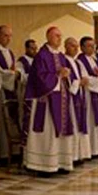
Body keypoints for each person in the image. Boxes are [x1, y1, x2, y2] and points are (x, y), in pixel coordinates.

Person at [24, 27, 76, 174]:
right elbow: (39, 78)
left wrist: (66, 75)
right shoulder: (41, 56)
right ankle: (44, 164)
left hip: (61, 99)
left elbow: (66, 75)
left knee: (61, 130)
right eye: (56, 36)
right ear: (48, 37)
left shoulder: (61, 56)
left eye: (61, 36)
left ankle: (61, 162)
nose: (59, 39)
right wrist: (58, 75)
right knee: (48, 131)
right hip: (46, 100)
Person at [0, 25, 21, 161]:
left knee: (13, 120)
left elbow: (13, 69)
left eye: (10, 36)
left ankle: (14, 152)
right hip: (1, 92)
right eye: (5, 35)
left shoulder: (9, 52)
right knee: (2, 123)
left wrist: (14, 73)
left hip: (11, 90)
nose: (8, 39)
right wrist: (13, 73)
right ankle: (3, 153)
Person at [77, 37, 98, 158]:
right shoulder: (80, 61)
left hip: (97, 94)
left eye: (93, 46)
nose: (92, 48)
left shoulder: (93, 60)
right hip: (88, 95)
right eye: (89, 46)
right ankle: (91, 148)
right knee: (90, 120)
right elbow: (85, 79)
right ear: (82, 47)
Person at [63, 37, 91, 162]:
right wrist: (78, 83)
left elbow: (84, 77)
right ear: (66, 46)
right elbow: (65, 81)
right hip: (69, 99)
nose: (75, 49)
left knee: (80, 124)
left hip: (79, 96)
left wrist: (84, 81)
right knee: (73, 125)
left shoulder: (77, 62)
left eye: (76, 46)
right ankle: (72, 156)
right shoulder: (63, 61)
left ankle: (80, 154)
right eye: (72, 46)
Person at [17, 39, 38, 146]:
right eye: (32, 48)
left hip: (37, 94)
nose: (34, 51)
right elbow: (20, 77)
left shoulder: (38, 60)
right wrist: (35, 77)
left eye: (35, 48)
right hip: (26, 93)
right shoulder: (21, 61)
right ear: (26, 48)